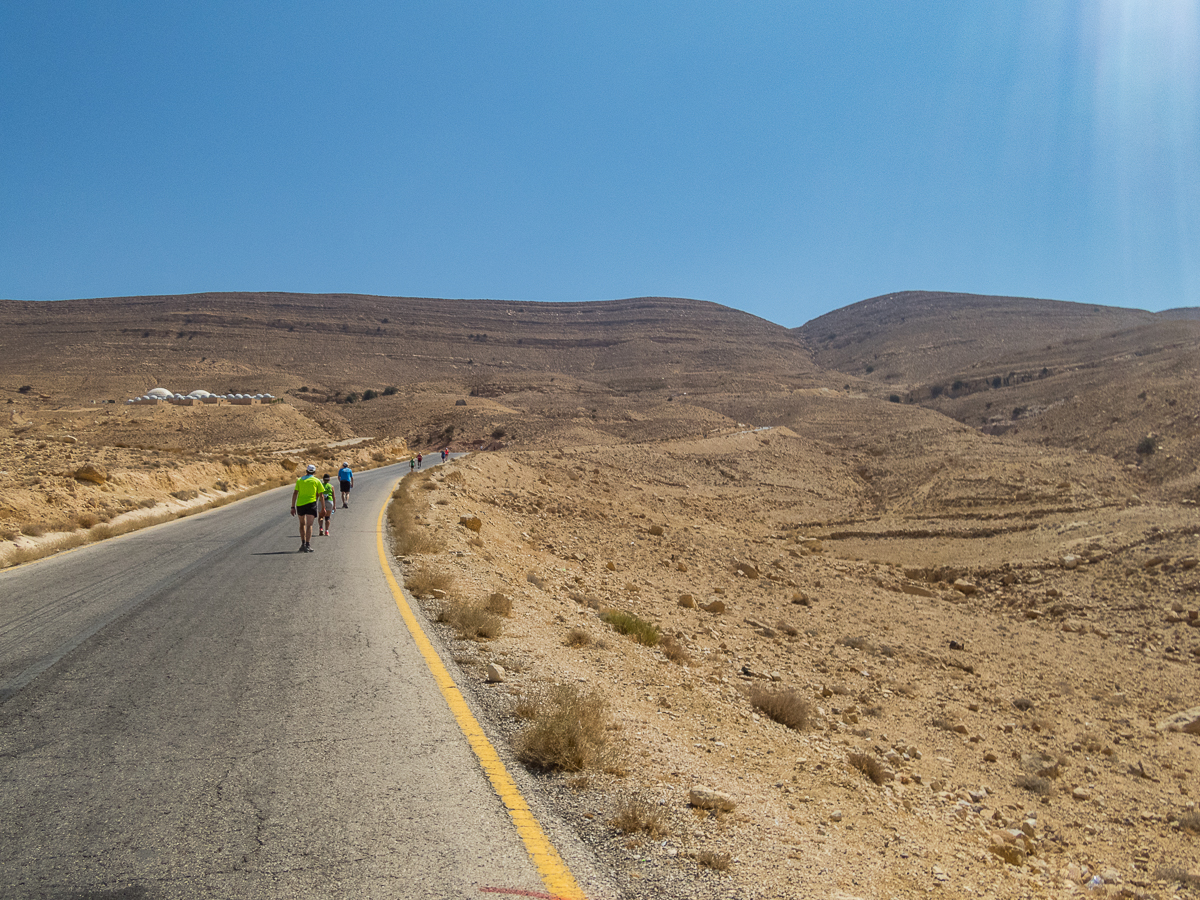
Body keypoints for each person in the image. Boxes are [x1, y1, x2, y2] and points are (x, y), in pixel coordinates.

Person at [290, 464, 323, 552]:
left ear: (306, 471)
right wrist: (323, 507)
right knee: (309, 525)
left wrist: (292, 507)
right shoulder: (316, 481)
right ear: (315, 472)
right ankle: (308, 545)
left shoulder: (299, 480)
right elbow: (321, 495)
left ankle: (303, 544)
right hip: (311, 504)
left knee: (302, 524)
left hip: (300, 504)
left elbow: (295, 493)